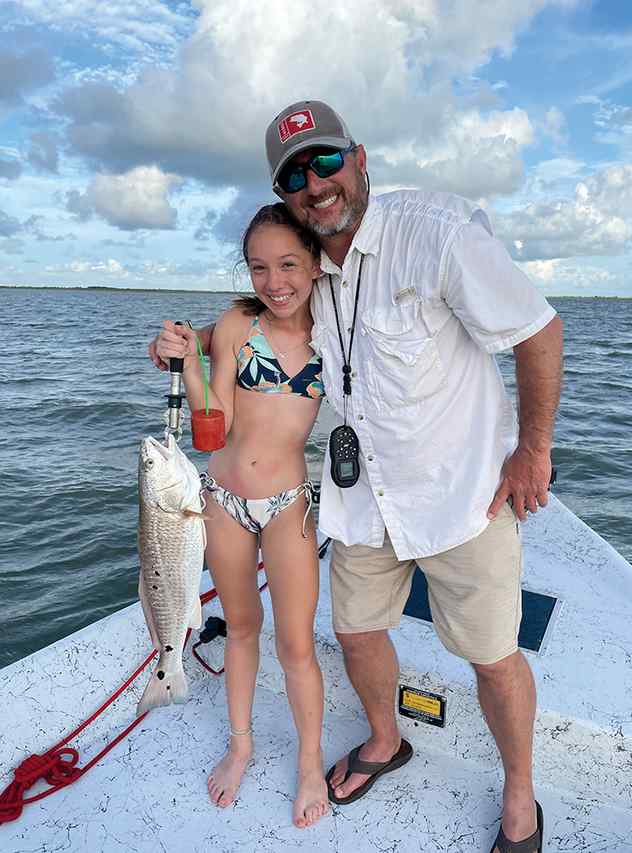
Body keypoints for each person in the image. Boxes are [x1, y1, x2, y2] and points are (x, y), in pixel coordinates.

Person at [151, 100, 562, 853]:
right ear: (286, 195)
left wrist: (532, 451)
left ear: (359, 156)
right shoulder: (308, 267)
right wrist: (180, 342)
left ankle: (520, 799)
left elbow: (538, 328)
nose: (316, 181)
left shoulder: (434, 233)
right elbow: (245, 329)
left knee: (492, 654)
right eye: (295, 173)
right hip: (362, 498)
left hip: (461, 493)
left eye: (326, 160)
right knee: (356, 629)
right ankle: (384, 739)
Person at [153, 203, 328, 829]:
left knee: (297, 643)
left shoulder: (333, 331)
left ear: (315, 263)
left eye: (288, 264)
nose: (275, 281)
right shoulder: (234, 326)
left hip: (288, 505)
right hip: (223, 500)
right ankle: (242, 742)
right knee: (243, 627)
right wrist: (186, 359)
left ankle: (310, 764)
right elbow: (213, 427)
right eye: (258, 268)